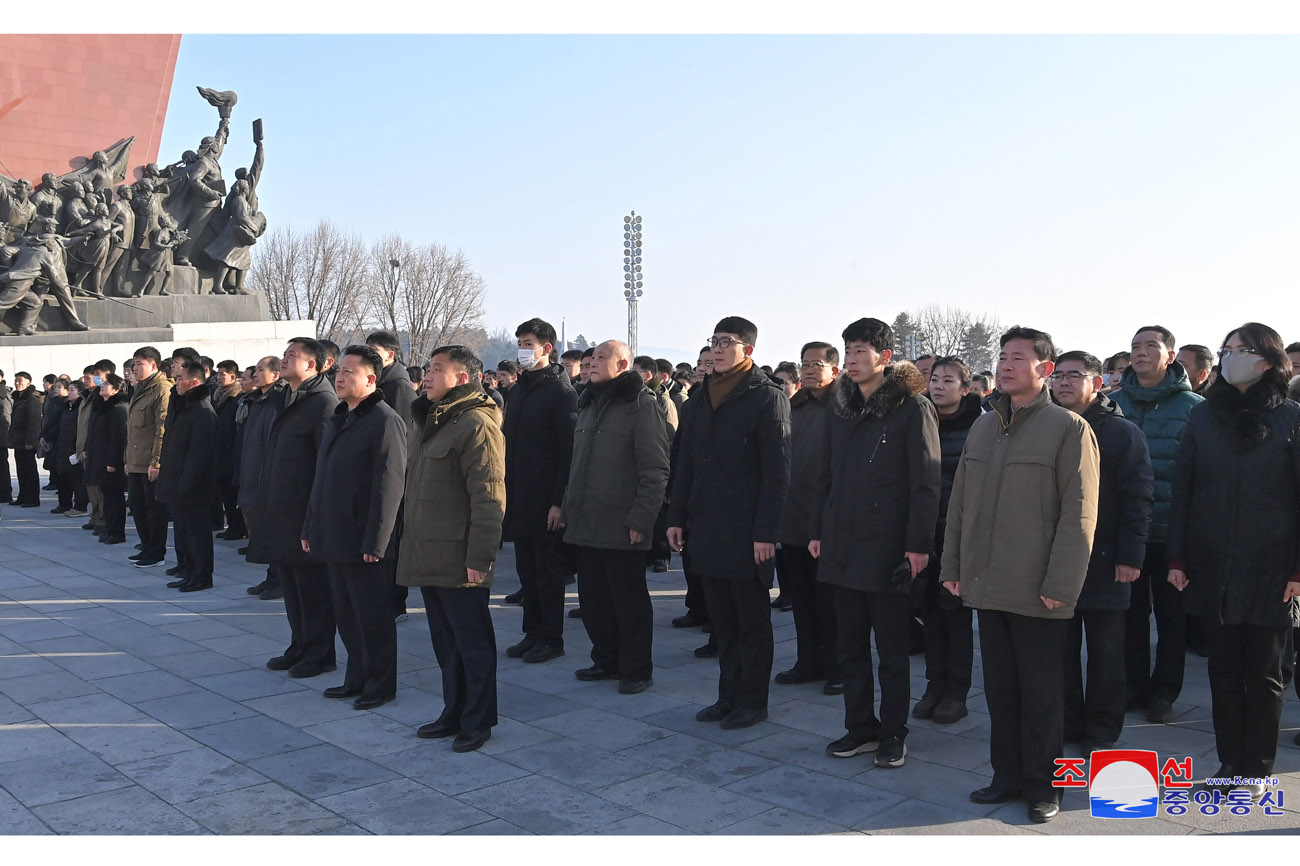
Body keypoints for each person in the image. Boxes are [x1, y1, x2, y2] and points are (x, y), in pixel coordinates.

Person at [941, 326, 1099, 824]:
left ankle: (1045, 785)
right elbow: (960, 505)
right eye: (1002, 357)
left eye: (1019, 358)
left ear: (1045, 369)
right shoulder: (985, 426)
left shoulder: (1068, 429)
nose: (1006, 365)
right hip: (989, 583)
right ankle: (1005, 775)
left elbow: (1080, 514)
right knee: (1001, 690)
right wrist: (953, 566)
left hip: (1039, 589)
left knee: (1042, 694)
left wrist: (1061, 584)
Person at [1167, 323, 1300, 801]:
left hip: (1273, 566)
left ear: (1267, 359)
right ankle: (1229, 759)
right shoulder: (1204, 419)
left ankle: (1258, 764)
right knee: (1222, 670)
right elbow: (1182, 489)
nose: (1230, 356)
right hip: (1211, 561)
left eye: (1241, 350)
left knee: (1264, 672)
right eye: (1227, 349)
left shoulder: (1291, 418)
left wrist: (1297, 571)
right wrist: (1178, 555)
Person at [810, 318, 940, 768]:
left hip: (887, 548)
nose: (852, 360)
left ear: (885, 357)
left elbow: (926, 481)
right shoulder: (840, 406)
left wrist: (917, 546)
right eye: (848, 351)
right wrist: (817, 530)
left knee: (891, 651)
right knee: (848, 647)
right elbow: (825, 475)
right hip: (842, 544)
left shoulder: (911, 407)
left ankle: (893, 732)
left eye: (861, 351)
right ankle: (859, 727)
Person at [667, 316, 791, 730]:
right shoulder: (700, 398)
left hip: (747, 531)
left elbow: (778, 473)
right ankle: (727, 696)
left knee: (750, 620)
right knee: (721, 620)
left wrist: (766, 533)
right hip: (706, 525)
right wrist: (677, 515)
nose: (718, 349)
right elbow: (684, 462)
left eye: (727, 342)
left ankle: (752, 701)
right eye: (714, 341)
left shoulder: (765, 397)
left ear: (748, 351)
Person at [400, 345, 505, 753]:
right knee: (445, 641)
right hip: (430, 551)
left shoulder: (476, 423)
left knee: (472, 643)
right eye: (428, 368)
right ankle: (453, 710)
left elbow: (489, 495)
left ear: (463, 378)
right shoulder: (432, 420)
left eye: (437, 369)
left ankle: (478, 720)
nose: (427, 376)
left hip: (462, 555)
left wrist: (481, 557)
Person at [1050, 351, 1154, 753]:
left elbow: (1139, 497)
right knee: (1060, 648)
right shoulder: (1048, 426)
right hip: (1059, 560)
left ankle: (1103, 729)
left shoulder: (1120, 432)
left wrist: (1131, 556)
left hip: (1108, 559)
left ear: (1097, 383)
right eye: (1058, 375)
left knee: (1107, 652)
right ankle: (1068, 721)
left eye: (1074, 375)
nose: (1063, 383)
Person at [561, 340, 670, 694]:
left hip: (622, 523)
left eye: (601, 358)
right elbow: (576, 466)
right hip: (585, 522)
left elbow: (654, 470)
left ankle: (637, 668)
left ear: (623, 365)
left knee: (629, 601)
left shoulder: (640, 406)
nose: (591, 364)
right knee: (593, 599)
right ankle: (605, 659)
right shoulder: (588, 404)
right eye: (590, 359)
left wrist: (641, 519)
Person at [302, 345, 407, 711]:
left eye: (349, 372)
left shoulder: (384, 420)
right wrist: (310, 526)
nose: (341, 377)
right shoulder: (340, 416)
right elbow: (321, 479)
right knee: (346, 613)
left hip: (366, 540)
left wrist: (377, 542)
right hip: (334, 534)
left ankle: (380, 684)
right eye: (339, 371)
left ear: (371, 379)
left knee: (373, 616)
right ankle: (356, 677)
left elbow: (389, 487)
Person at [1110, 325, 1203, 725]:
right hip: (1124, 530)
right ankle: (1132, 686)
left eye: (1151, 346)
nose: (1141, 353)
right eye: (1135, 346)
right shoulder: (1111, 403)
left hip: (1172, 529)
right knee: (1127, 614)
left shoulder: (1195, 407)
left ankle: (1164, 692)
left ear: (1171, 354)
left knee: (1171, 616)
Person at [251, 338, 340, 679]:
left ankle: (319, 653)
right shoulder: (289, 397)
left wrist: (314, 517)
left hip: (305, 511)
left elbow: (324, 465)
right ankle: (299, 645)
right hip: (283, 508)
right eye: (285, 354)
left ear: (315, 365)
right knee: (293, 585)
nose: (285, 359)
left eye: (293, 355)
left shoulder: (322, 403)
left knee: (312, 587)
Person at [501, 318, 577, 663]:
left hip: (546, 499)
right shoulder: (519, 390)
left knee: (548, 574)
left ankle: (551, 637)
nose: (522, 350)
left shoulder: (560, 392)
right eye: (519, 342)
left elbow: (568, 452)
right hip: (519, 496)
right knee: (526, 572)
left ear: (547, 348)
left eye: (528, 343)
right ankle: (531, 633)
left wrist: (558, 502)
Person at [914, 356, 981, 724]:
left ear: (965, 388)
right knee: (928, 615)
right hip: (923, 535)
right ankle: (933, 685)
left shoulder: (980, 426)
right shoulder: (919, 420)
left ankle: (957, 692)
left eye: (948, 380)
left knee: (954, 615)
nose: (939, 386)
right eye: (935, 379)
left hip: (958, 536)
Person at [774, 341, 841, 694]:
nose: (810, 370)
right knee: (800, 596)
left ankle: (838, 667)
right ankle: (808, 661)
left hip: (827, 518)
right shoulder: (793, 407)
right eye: (805, 364)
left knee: (830, 601)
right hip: (794, 516)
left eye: (817, 363)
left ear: (835, 369)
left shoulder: (844, 407)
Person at [365, 330, 416, 620]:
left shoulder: (398, 387)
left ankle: (396, 602)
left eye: (375, 350)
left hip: (396, 478)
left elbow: (401, 438)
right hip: (379, 474)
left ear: (390, 355)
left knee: (392, 542)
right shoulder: (383, 382)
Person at [155, 361, 217, 591]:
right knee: (185, 532)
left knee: (197, 533)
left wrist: (186, 484)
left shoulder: (202, 410)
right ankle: (190, 571)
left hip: (193, 487)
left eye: (180, 378)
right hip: (178, 482)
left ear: (194, 382)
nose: (176, 382)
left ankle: (202, 576)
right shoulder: (183, 407)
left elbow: (199, 455)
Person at [236, 356, 288, 600]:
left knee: (274, 531)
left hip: (266, 475)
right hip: (252, 469)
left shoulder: (279, 400)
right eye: (254, 370)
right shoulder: (257, 400)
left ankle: (280, 580)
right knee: (261, 530)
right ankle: (271, 577)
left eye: (260, 370)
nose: (255, 374)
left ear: (275, 375)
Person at [124, 348, 172, 567]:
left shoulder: (162, 390)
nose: (135, 368)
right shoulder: (140, 389)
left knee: (153, 510)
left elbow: (162, 429)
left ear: (154, 366)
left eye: (140, 364)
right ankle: (146, 546)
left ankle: (156, 552)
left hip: (150, 463)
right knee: (137, 506)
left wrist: (157, 461)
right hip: (136, 461)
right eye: (134, 364)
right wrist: (128, 459)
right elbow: (132, 430)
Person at [85, 374, 128, 544]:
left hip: (110, 462)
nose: (103, 386)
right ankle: (108, 528)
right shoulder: (101, 406)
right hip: (98, 458)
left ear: (116, 389)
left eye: (108, 384)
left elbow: (118, 439)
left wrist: (113, 462)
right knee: (106, 497)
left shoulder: (117, 409)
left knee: (115, 498)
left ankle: (117, 532)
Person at [211, 360, 246, 540]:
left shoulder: (237, 399)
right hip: (220, 453)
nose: (219, 377)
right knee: (226, 494)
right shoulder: (219, 397)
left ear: (233, 376)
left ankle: (239, 528)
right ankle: (232, 526)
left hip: (231, 453)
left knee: (233, 495)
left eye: (222, 374)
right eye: (218, 373)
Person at [52, 381, 88, 516]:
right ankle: (64, 504)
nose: (69, 393)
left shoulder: (81, 407)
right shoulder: (66, 407)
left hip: (75, 447)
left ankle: (80, 506)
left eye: (72, 390)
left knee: (77, 479)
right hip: (63, 446)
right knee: (63, 477)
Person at [10, 373, 44, 507]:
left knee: (29, 471)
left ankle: (32, 498)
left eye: (21, 381)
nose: (17, 383)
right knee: (21, 470)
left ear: (28, 383)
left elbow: (34, 423)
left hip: (27, 441)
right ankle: (23, 496)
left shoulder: (32, 399)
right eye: (16, 381)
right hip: (19, 441)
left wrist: (31, 442)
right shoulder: (19, 398)